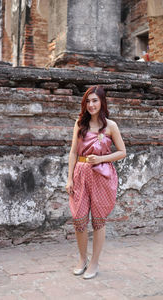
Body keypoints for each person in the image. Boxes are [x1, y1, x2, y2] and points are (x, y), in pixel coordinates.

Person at [66, 85, 126, 280]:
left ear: (102, 102)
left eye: (95, 101)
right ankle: (82, 259)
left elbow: (122, 152)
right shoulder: (79, 124)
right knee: (79, 219)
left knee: (98, 220)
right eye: (88, 101)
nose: (91, 105)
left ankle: (94, 263)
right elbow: (74, 152)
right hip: (80, 174)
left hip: (101, 175)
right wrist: (69, 178)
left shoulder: (111, 126)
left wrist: (101, 159)